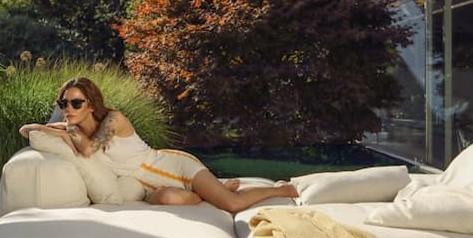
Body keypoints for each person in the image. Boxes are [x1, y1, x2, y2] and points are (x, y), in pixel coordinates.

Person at [19, 77, 298, 212]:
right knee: (168, 199)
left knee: (231, 205)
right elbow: (26, 129)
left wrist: (67, 131)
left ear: (91, 104)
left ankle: (279, 188)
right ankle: (212, 189)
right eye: (63, 103)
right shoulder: (73, 127)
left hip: (172, 166)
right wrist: (58, 129)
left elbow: (88, 150)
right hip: (149, 187)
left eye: (76, 102)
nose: (68, 108)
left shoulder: (113, 119)